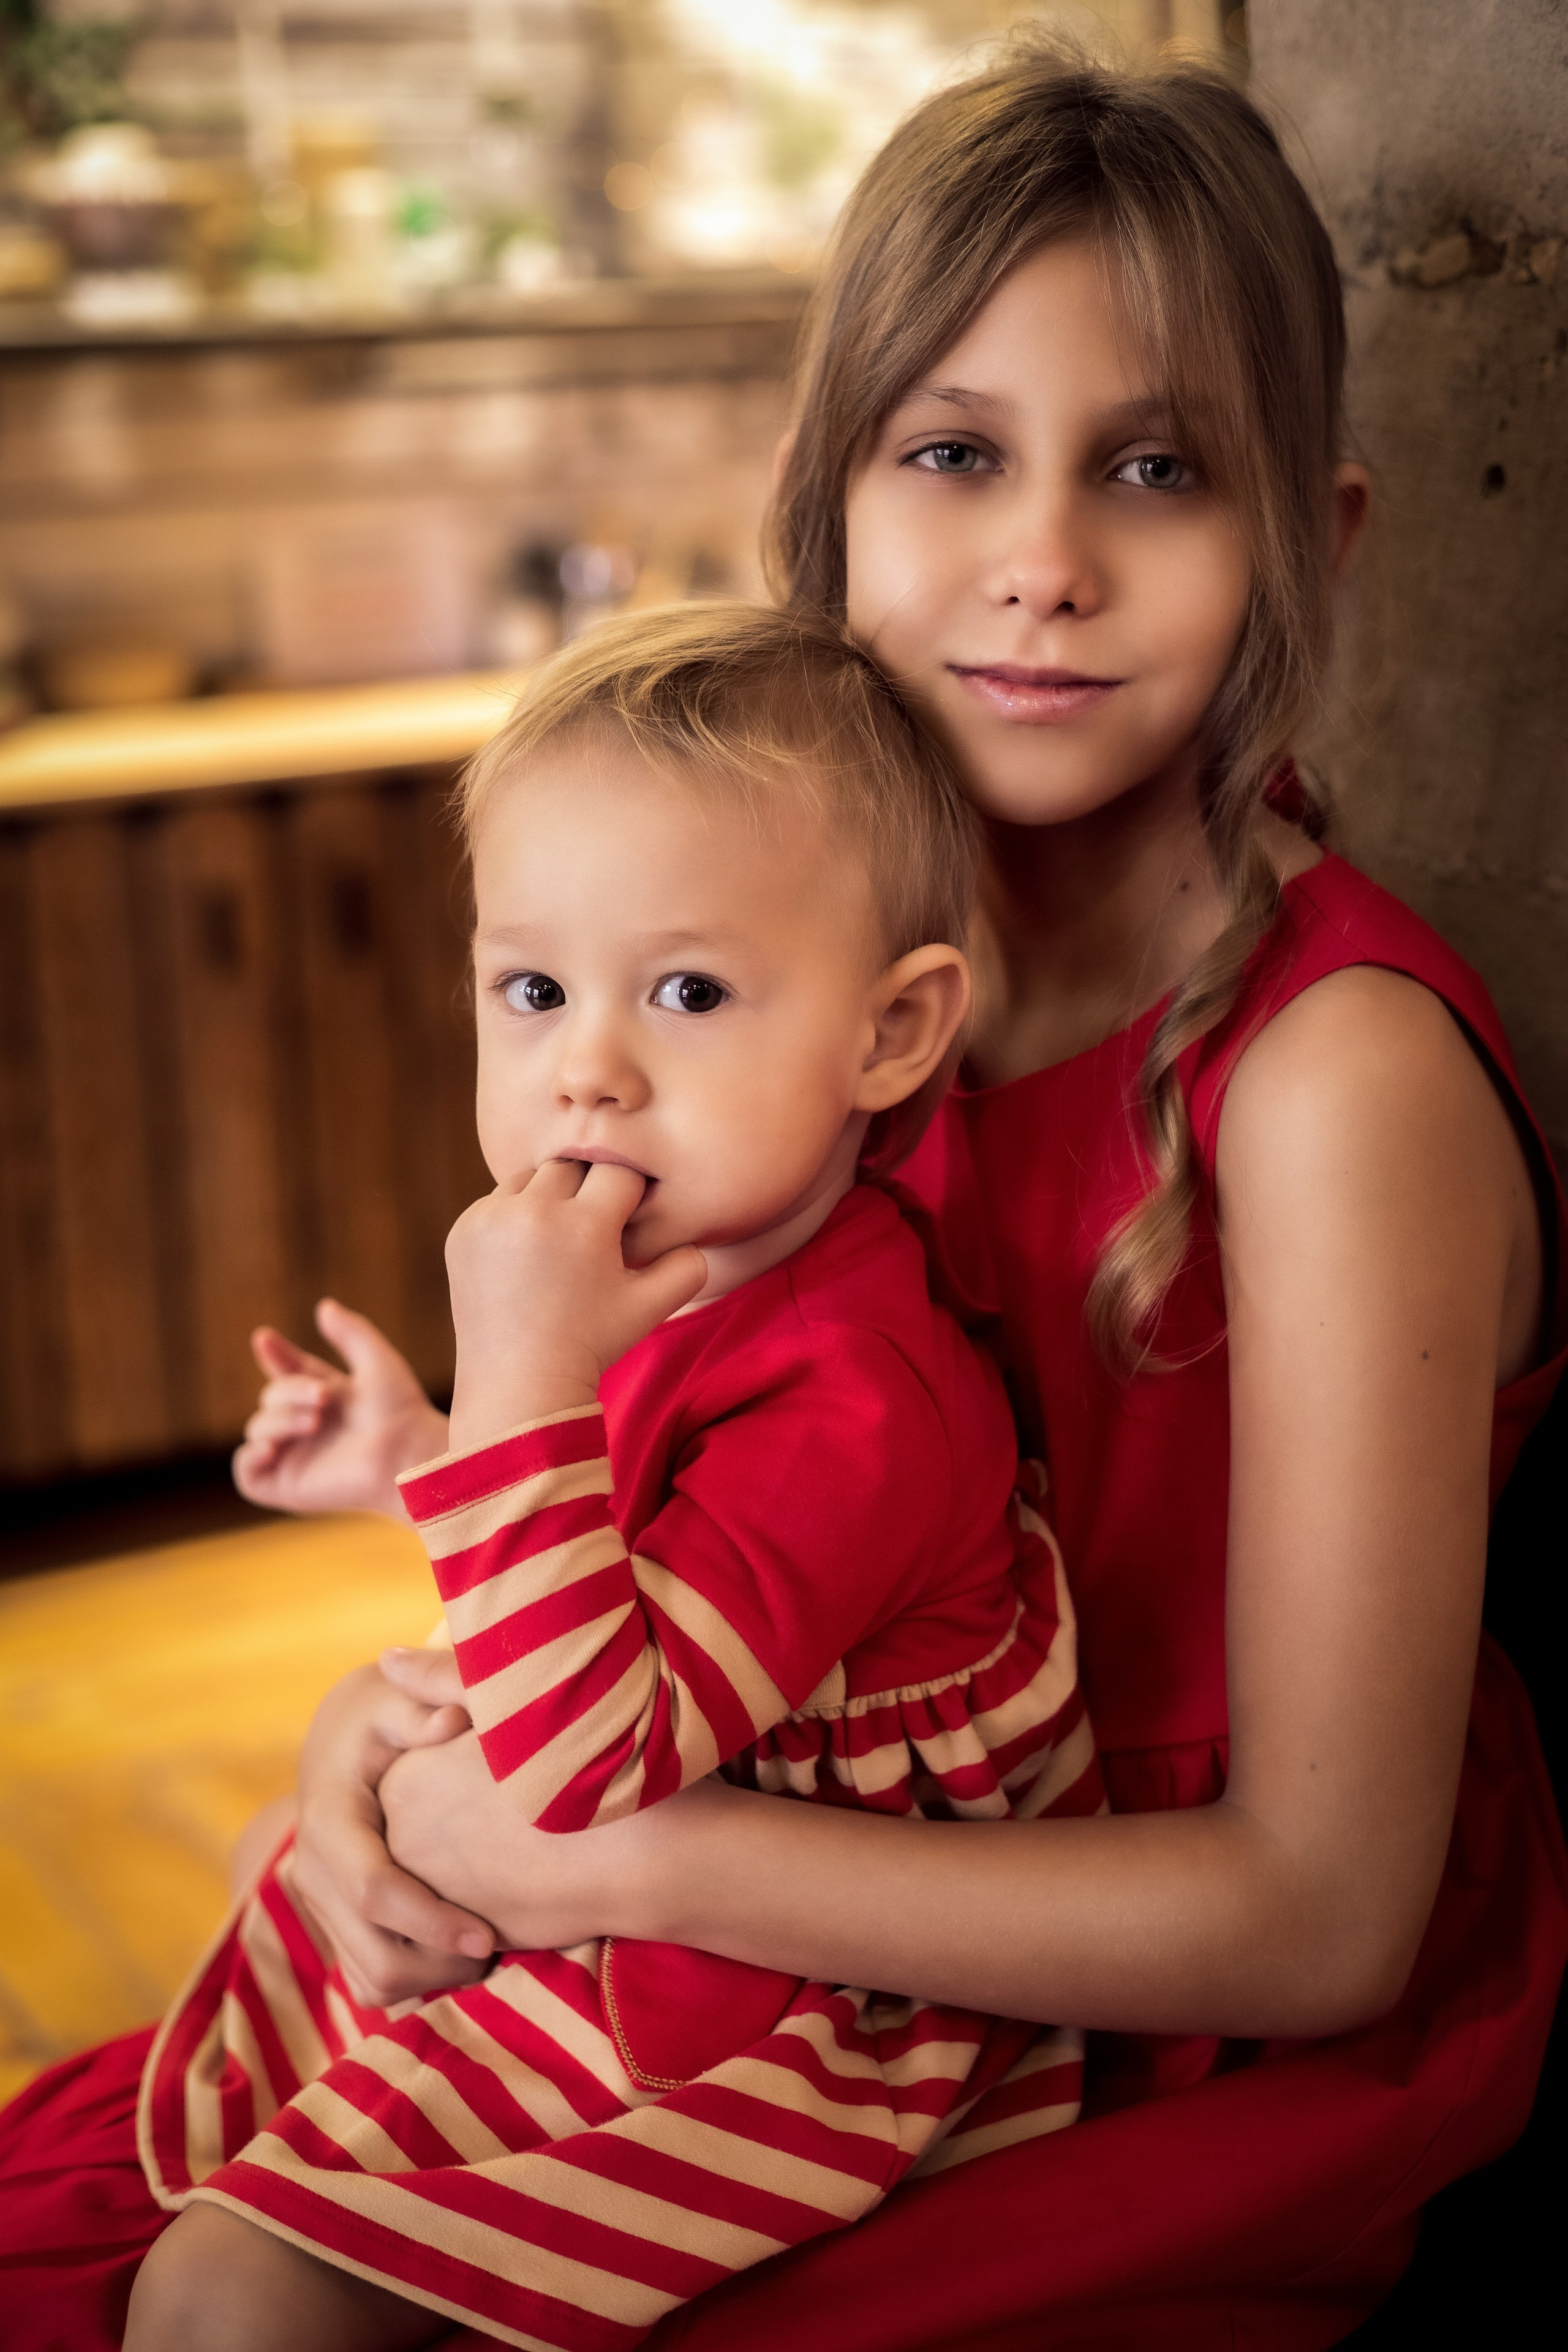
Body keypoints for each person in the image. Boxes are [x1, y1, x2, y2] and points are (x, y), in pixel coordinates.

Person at [2, 42, 1563, 2352]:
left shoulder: (1327, 1083)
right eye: (952, 452)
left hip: (1134, 2045)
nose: (1042, 557)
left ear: (1308, 542)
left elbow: (1321, 1917)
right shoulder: (773, 1029)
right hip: (751, 1915)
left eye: (1156, 468)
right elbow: (654, 1563)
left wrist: (602, 1850)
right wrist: (378, 1748)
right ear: (820, 510)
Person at [123, 604, 1101, 2350]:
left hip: (816, 2013)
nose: (587, 1064)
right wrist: (421, 1459)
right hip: (678, 1865)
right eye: (534, 989)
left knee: (224, 2298)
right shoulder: (696, 1262)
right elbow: (620, 1543)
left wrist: (513, 1372)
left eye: (690, 991)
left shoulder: (858, 1393)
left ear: (893, 1035)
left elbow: (588, 1767)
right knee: (288, 1865)